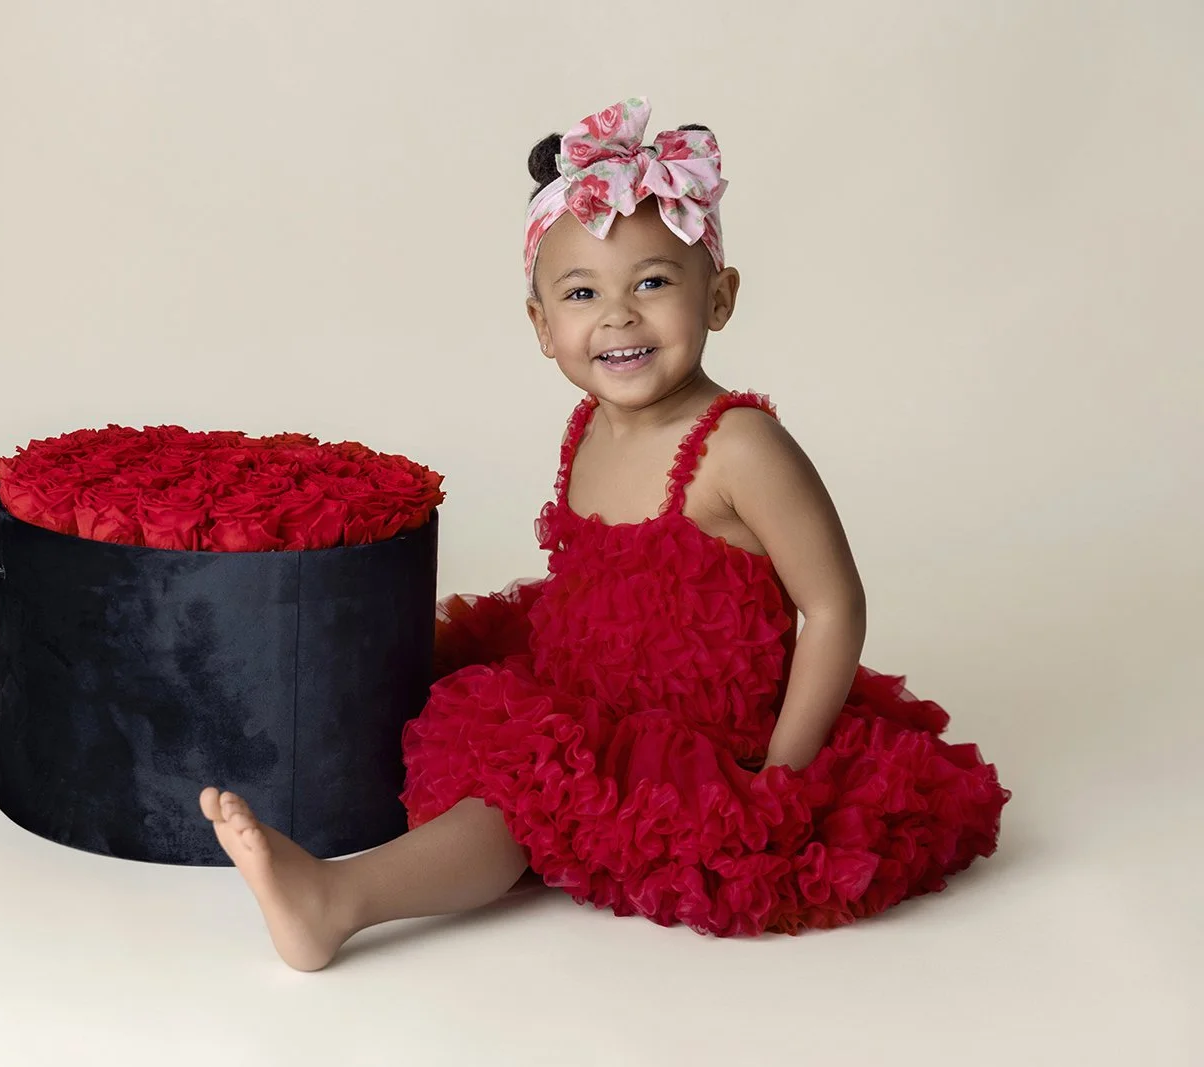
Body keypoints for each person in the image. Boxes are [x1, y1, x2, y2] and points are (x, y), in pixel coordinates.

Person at [199, 97, 1010, 971]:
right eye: (583, 294)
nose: (618, 317)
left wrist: (784, 770)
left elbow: (835, 605)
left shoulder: (740, 446)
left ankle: (339, 897)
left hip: (698, 735)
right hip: (582, 684)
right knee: (452, 715)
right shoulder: (588, 425)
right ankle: (277, 784)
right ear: (543, 327)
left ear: (720, 297)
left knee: (517, 806)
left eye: (652, 283)